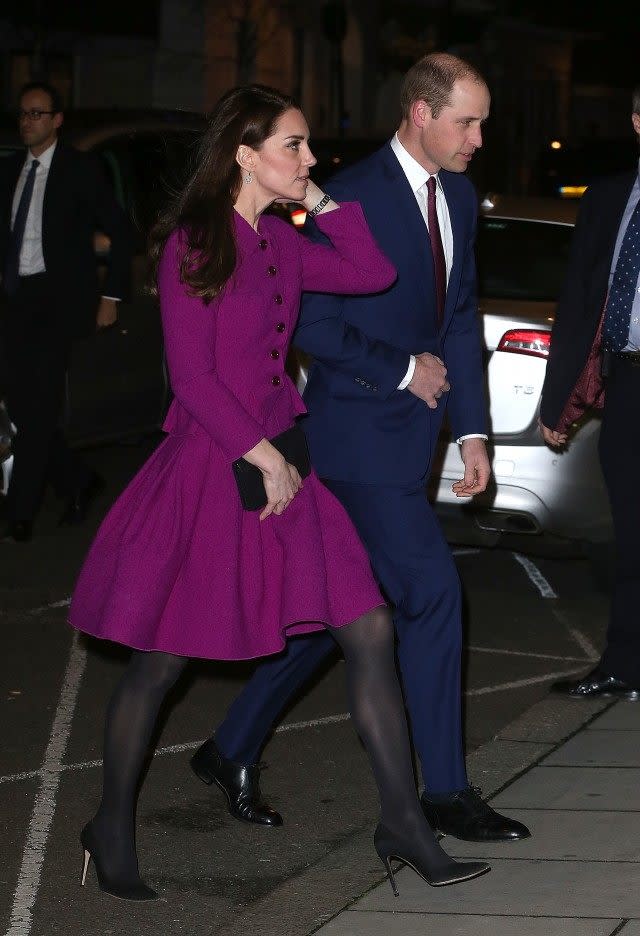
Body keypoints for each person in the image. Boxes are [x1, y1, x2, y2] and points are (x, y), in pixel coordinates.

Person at [69, 84, 489, 902]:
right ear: (244, 154)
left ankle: (402, 822)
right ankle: (111, 824)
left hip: (283, 454)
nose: (311, 159)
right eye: (293, 147)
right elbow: (192, 377)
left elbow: (370, 268)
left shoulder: (282, 242)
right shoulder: (198, 242)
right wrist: (261, 457)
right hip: (216, 463)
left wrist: (316, 198)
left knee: (367, 624)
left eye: (308, 147)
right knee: (163, 660)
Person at [195, 53, 531, 843]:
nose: (479, 137)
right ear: (420, 112)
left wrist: (473, 431)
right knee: (434, 594)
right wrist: (400, 370)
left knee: (336, 612)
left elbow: (459, 314)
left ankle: (229, 746)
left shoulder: (458, 194)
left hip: (413, 442)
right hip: (354, 438)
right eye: (467, 121)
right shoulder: (350, 196)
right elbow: (307, 323)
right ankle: (443, 793)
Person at [540, 83, 640, 700]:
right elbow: (577, 299)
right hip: (627, 378)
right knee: (629, 533)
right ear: (636, 120)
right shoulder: (608, 197)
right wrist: (556, 400)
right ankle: (626, 662)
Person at [0, 81, 133, 543]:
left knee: (39, 410)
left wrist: (111, 296)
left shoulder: (80, 169)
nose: (27, 122)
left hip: (58, 302)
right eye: (23, 114)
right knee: (19, 403)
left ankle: (20, 513)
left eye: (37, 114)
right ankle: (77, 480)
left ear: (57, 120)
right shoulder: (9, 169)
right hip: (15, 300)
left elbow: (120, 230)